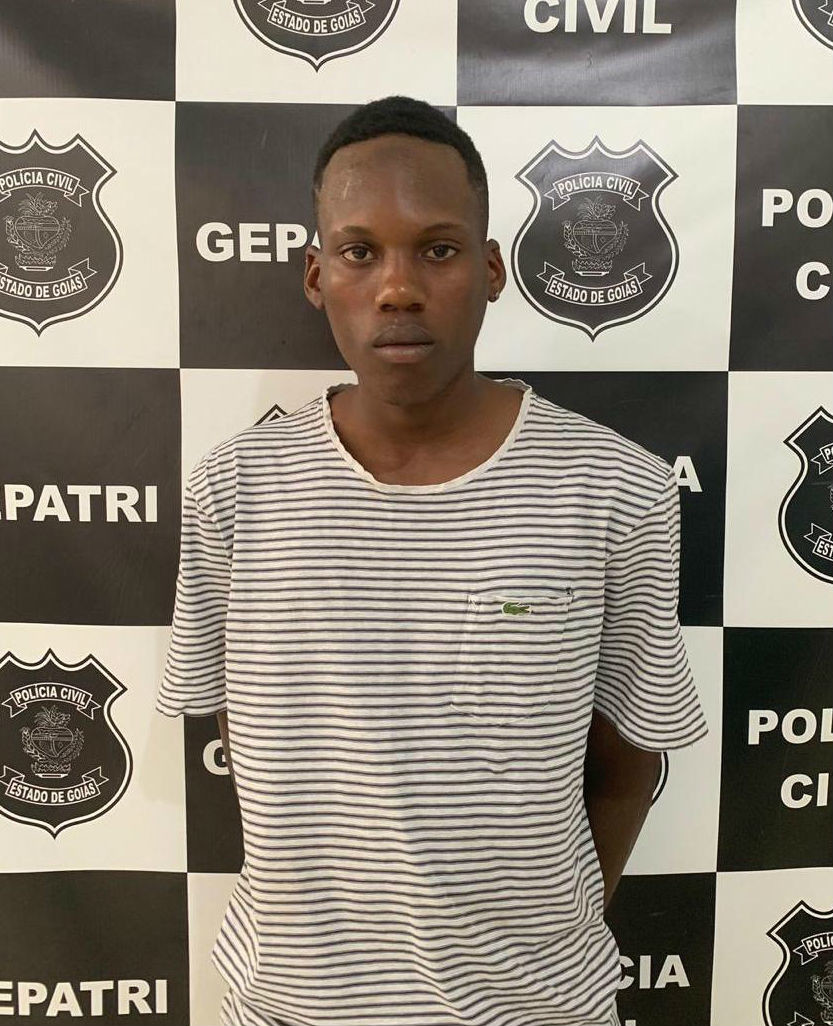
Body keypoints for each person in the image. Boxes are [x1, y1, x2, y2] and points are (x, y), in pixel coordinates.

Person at [157, 95, 708, 1026]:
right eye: (358, 252)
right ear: (315, 275)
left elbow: (625, 766)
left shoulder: (616, 489)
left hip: (536, 1009)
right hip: (292, 1004)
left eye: (438, 250)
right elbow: (240, 738)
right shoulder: (235, 489)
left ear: (491, 270)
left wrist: (542, 940)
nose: (397, 288)